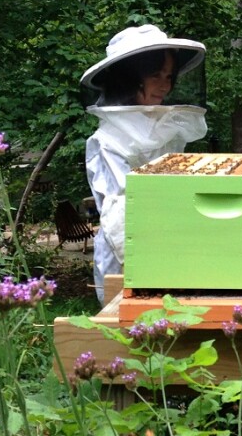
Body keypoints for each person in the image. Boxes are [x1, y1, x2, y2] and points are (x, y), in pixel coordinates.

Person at [81, 24, 208, 304]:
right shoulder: (106, 140)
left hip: (171, 244)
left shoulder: (163, 127)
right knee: (130, 335)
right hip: (125, 257)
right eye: (155, 75)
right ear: (127, 79)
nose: (165, 84)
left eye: (168, 75)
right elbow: (121, 213)